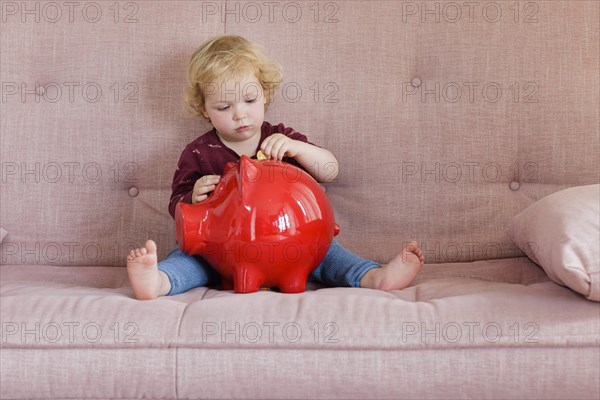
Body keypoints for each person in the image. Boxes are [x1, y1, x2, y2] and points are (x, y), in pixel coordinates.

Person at [126, 35, 424, 300]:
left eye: (249, 99)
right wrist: (191, 198)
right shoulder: (198, 152)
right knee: (188, 259)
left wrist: (298, 149)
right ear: (204, 109)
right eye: (223, 107)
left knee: (329, 254)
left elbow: (330, 170)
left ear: (266, 94)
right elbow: (176, 206)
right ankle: (157, 281)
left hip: (294, 245)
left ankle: (373, 277)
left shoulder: (280, 138)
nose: (240, 114)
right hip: (219, 253)